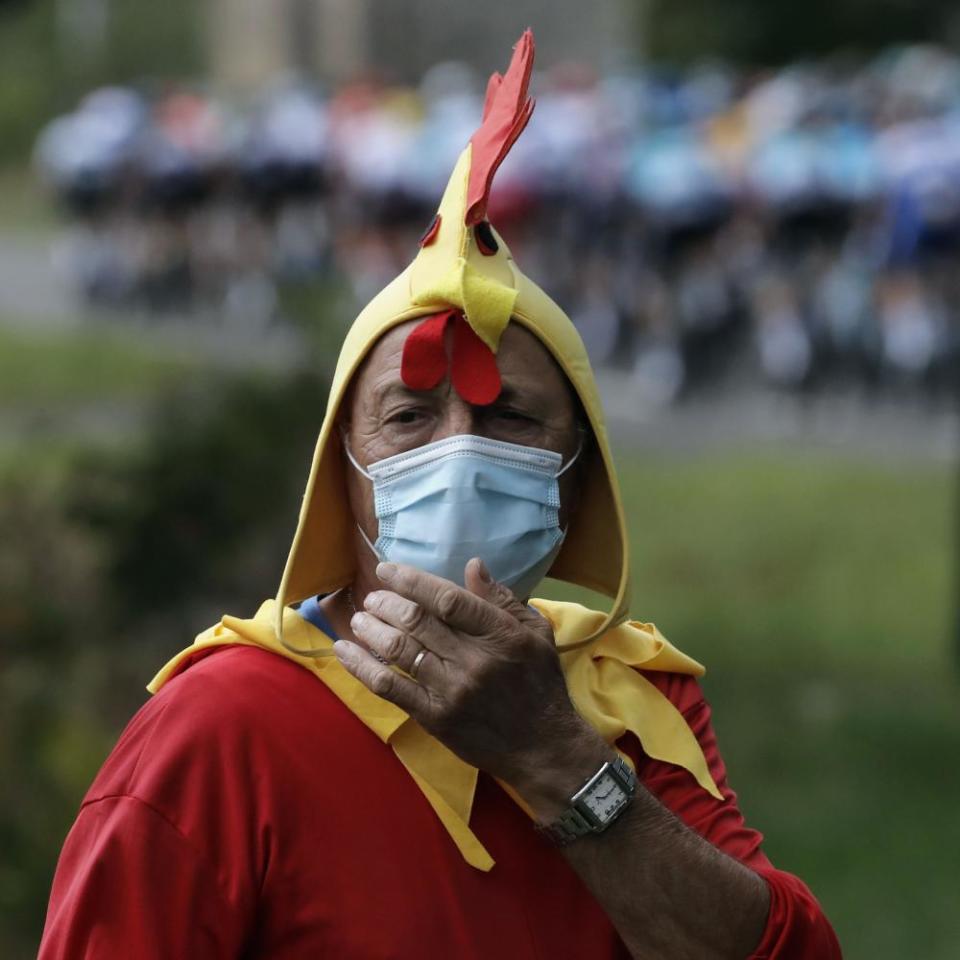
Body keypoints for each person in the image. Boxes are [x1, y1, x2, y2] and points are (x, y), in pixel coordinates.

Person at [39, 32, 841, 959]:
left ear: (579, 480)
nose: (459, 457)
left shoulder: (627, 700)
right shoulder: (222, 728)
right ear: (344, 469)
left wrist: (555, 757)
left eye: (511, 424)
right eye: (410, 420)